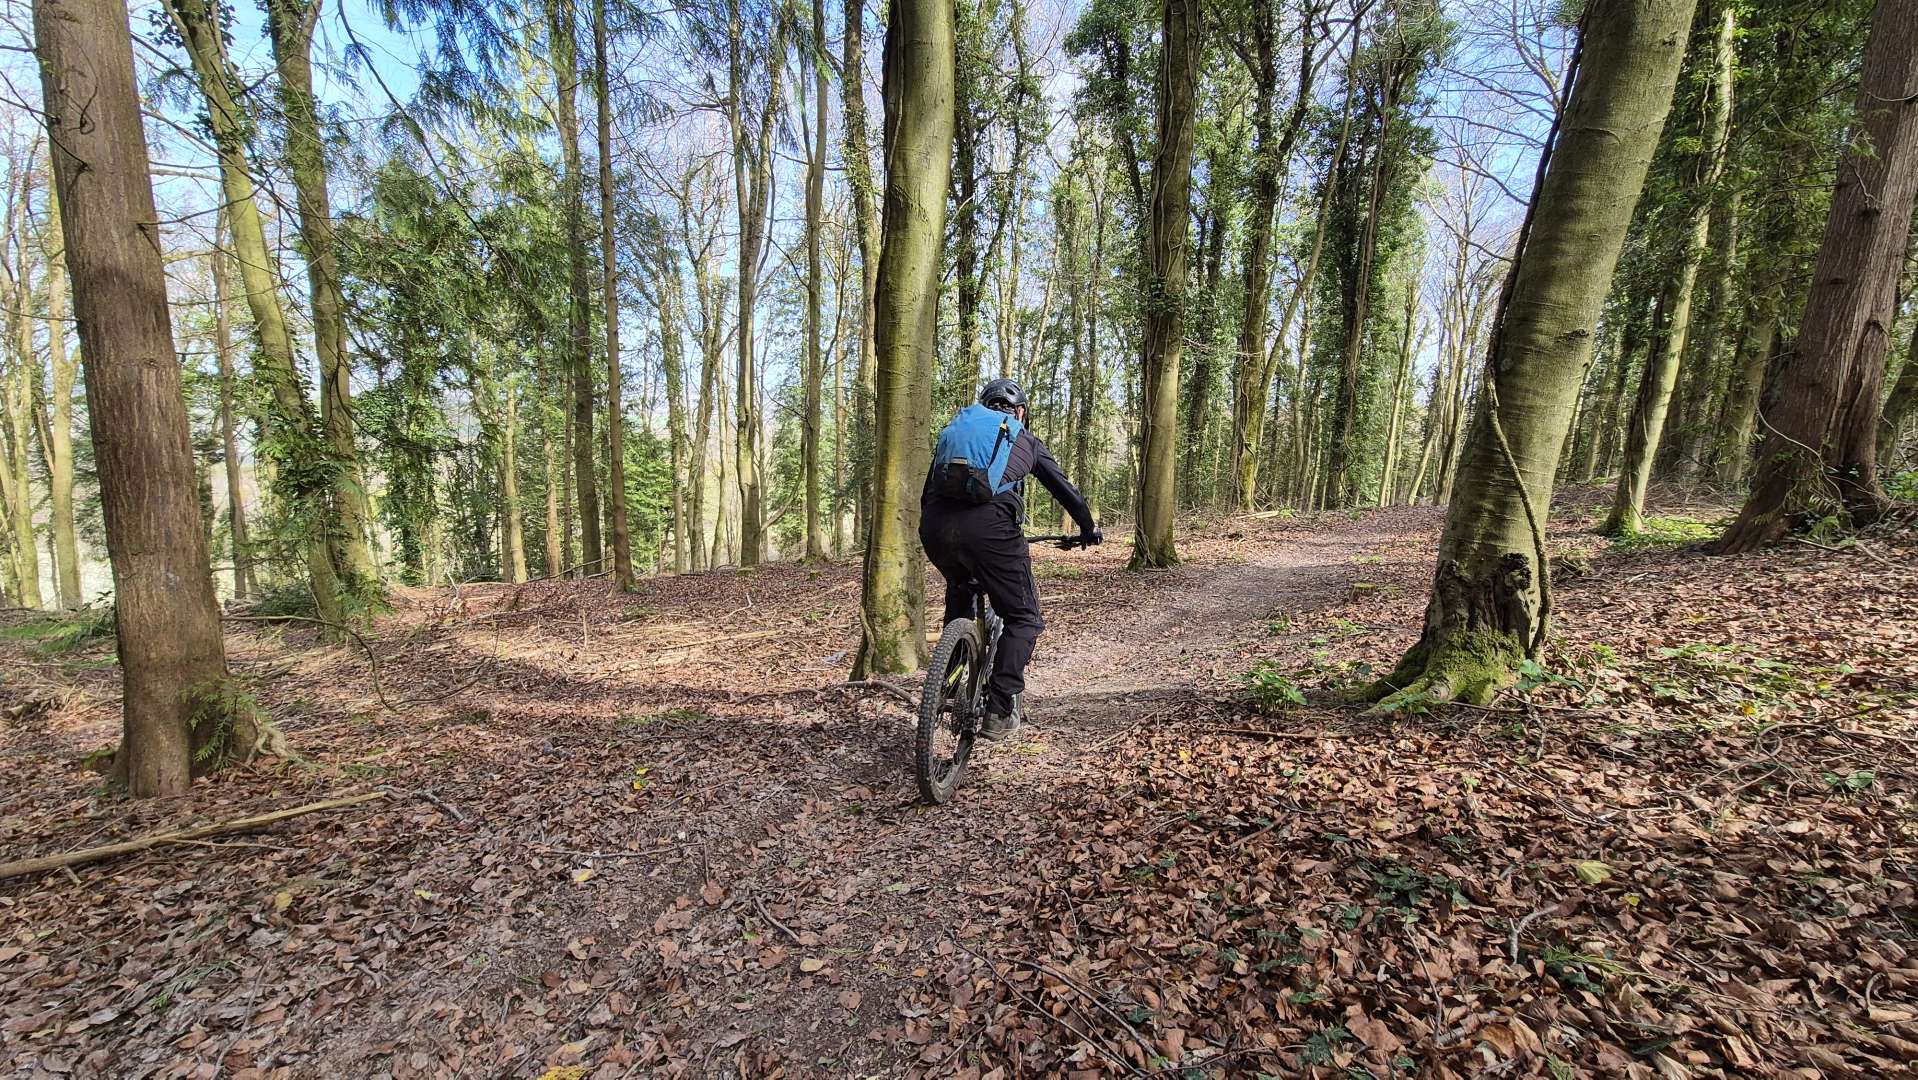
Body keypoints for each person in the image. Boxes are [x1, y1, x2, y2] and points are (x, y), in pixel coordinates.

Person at [920, 378, 1100, 741]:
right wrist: (1087, 528)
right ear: (1019, 412)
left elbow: (928, 492)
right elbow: (1065, 490)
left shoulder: (955, 432)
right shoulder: (1023, 438)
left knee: (960, 591)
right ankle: (1000, 710)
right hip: (991, 533)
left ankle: (948, 682)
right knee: (1023, 617)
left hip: (935, 529)